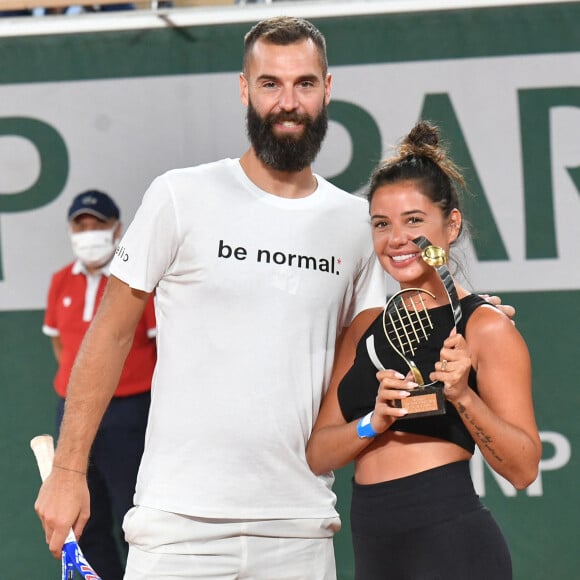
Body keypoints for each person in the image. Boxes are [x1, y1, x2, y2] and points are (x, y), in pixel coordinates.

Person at [34, 18, 514, 579]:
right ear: (245, 89)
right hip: (177, 530)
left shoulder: (354, 225)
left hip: (298, 531)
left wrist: (470, 313)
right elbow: (111, 333)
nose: (289, 102)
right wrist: (69, 470)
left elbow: (379, 335)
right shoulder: (179, 196)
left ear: (327, 89)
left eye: (304, 84)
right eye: (271, 84)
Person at [306, 121, 542, 580]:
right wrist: (374, 421)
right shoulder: (365, 328)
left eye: (414, 220)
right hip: (373, 549)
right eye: (381, 223)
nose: (397, 238)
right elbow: (318, 453)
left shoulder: (486, 326)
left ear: (450, 224)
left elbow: (523, 468)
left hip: (451, 545)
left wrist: (463, 396)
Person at [42, 189, 156, 579]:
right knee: (82, 522)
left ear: (117, 228)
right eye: (81, 225)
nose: (88, 232)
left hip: (132, 411)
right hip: (73, 412)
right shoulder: (60, 281)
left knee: (134, 519)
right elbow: (60, 343)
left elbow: (161, 346)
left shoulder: (138, 280)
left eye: (98, 225)